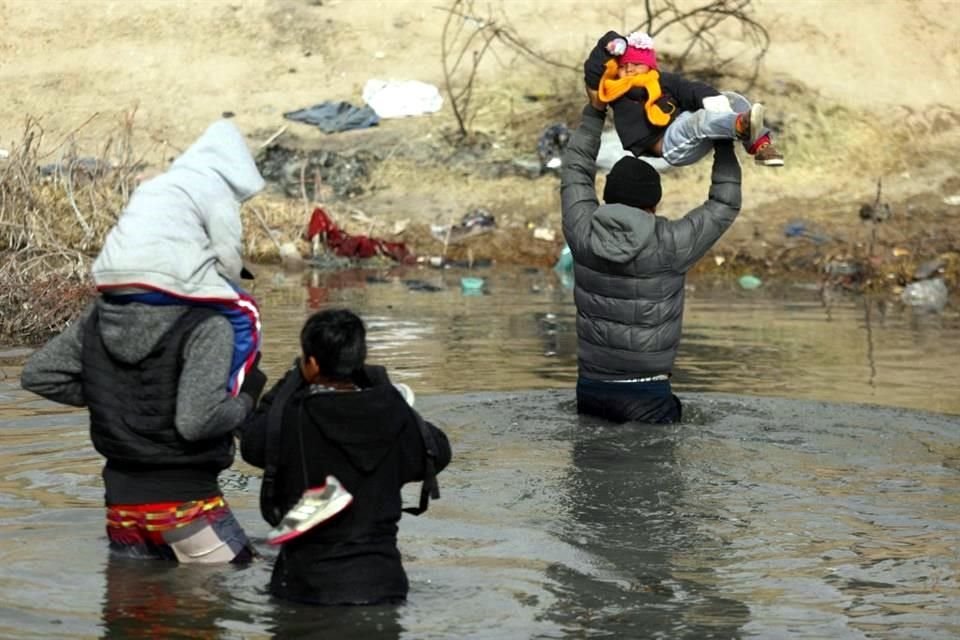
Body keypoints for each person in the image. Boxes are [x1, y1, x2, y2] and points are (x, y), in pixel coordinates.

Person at [20, 274, 268, 564]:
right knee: (241, 583)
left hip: (122, 511)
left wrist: (113, 394)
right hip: (186, 506)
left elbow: (39, 375)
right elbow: (197, 422)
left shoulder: (104, 316)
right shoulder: (208, 325)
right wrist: (248, 397)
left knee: (131, 606)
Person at [560, 65, 742, 424]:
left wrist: (596, 110)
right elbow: (725, 203)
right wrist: (723, 140)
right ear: (654, 204)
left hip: (591, 391)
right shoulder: (671, 244)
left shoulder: (581, 231)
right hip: (647, 395)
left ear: (608, 197)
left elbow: (575, 168)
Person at [239, 308, 451, 606]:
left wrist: (288, 384)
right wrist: (383, 390)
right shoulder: (394, 417)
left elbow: (251, 443)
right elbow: (438, 451)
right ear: (359, 359)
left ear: (310, 364)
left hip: (308, 592)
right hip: (383, 587)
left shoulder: (292, 419)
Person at [91, 118, 266, 397]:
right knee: (247, 314)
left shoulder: (160, 184)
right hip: (158, 278)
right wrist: (226, 286)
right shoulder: (217, 189)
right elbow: (228, 258)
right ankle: (225, 397)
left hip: (109, 276)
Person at [585, 30, 784, 168]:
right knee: (696, 120)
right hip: (671, 145)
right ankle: (740, 126)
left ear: (649, 66)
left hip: (693, 131)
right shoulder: (615, 93)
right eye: (623, 65)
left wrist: (712, 99)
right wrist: (611, 42)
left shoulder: (662, 80)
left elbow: (689, 89)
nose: (629, 69)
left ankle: (761, 148)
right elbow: (593, 74)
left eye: (636, 64)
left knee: (732, 98)